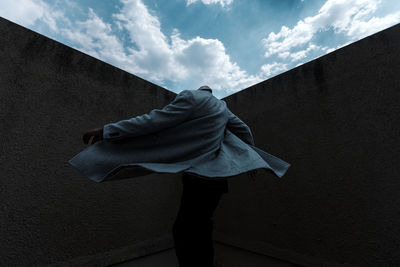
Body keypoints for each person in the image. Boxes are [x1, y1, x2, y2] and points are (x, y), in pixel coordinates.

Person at [71, 85, 290, 267]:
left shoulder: (192, 96)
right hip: (218, 179)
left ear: (198, 90)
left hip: (200, 176)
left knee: (185, 230)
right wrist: (249, 160)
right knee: (201, 229)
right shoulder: (223, 108)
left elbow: (155, 120)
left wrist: (107, 130)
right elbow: (245, 130)